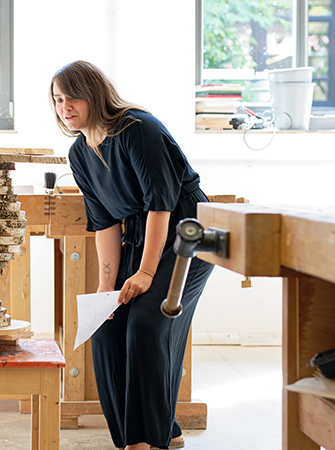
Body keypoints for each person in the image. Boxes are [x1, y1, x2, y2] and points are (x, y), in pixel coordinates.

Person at [50, 61, 214, 450]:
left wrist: (144, 271)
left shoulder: (137, 128)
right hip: (140, 237)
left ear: (94, 93)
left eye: (72, 96)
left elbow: (162, 204)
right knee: (106, 327)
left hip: (185, 231)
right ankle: (153, 433)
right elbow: (104, 223)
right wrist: (106, 288)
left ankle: (146, 441)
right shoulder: (80, 152)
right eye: (57, 99)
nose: (64, 106)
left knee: (145, 323)